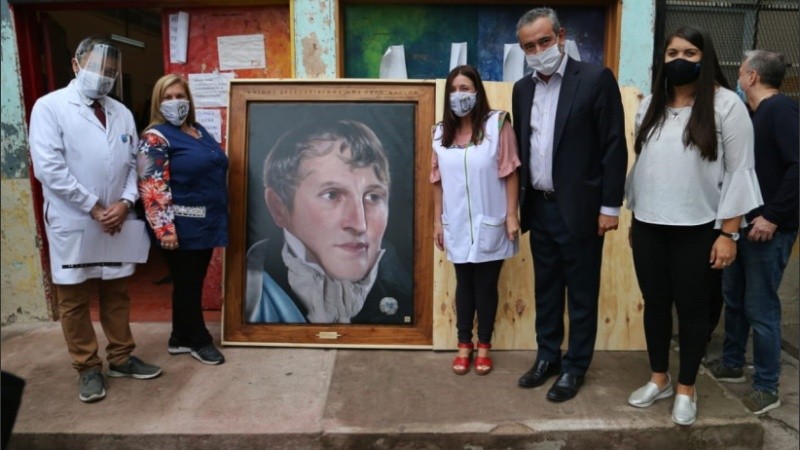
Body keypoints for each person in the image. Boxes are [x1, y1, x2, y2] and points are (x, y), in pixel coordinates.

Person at [625, 26, 763, 426]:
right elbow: (644, 167)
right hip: (649, 225)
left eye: (688, 52)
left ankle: (686, 387)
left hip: (699, 228)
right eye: (671, 53)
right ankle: (659, 378)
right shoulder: (648, 105)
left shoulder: (726, 106)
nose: (679, 59)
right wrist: (636, 215)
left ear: (705, 58)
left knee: (692, 311)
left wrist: (728, 233)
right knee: (654, 306)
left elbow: (740, 171)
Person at [28, 35, 162, 403]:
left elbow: (135, 164)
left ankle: (121, 358)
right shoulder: (50, 107)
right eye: (97, 68)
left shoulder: (120, 112)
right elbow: (49, 168)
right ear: (75, 65)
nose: (103, 77)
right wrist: (92, 205)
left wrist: (126, 200)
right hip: (75, 219)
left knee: (116, 291)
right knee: (73, 297)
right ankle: (87, 368)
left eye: (111, 71)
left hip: (116, 217)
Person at [512, 8, 628, 401]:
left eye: (544, 41)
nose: (538, 50)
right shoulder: (522, 89)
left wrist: (610, 207)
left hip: (580, 210)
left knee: (580, 293)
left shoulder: (595, 80)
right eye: (529, 46)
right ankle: (548, 356)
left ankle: (575, 365)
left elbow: (614, 145)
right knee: (546, 290)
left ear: (561, 36)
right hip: (540, 208)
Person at [704, 50, 798, 415]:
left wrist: (772, 217)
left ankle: (766, 386)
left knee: (762, 308)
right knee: (736, 298)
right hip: (743, 227)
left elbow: (797, 167)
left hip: (767, 232)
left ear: (752, 77)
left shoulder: (781, 112)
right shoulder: (755, 115)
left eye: (741, 71)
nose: (738, 77)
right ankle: (731, 363)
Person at [245, 119, 412, 324]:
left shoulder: (409, 287)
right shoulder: (250, 290)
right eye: (332, 195)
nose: (359, 224)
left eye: (373, 197)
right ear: (279, 208)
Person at [431, 65, 521, 376]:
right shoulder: (440, 133)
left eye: (465, 88)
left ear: (477, 91)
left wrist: (511, 215)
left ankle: (484, 345)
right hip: (455, 223)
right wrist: (437, 222)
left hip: (490, 221)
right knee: (463, 284)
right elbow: (437, 181)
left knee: (486, 285)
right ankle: (463, 345)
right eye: (454, 89)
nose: (460, 95)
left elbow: (509, 171)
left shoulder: (498, 125)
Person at [137, 74, 228, 365]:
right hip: (179, 225)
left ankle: (179, 337)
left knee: (190, 281)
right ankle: (199, 340)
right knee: (188, 283)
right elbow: (152, 186)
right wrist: (164, 230)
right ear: (157, 103)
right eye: (167, 97)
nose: (175, 102)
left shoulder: (197, 130)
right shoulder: (154, 137)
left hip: (205, 221)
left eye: (179, 96)